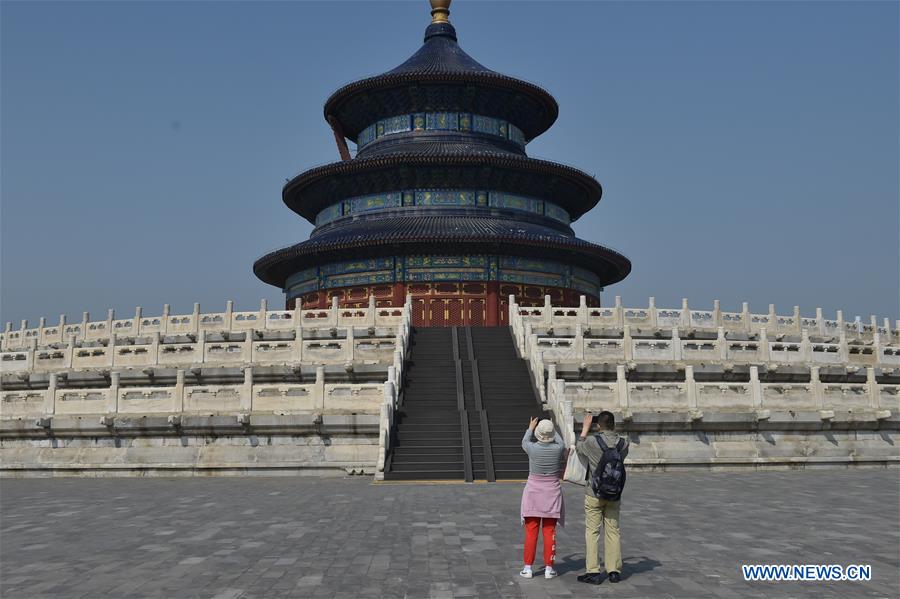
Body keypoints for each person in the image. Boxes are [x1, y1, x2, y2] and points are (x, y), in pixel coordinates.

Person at [576, 411, 629, 585]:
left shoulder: (592, 441)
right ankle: (613, 570)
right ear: (614, 424)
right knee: (613, 531)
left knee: (592, 531)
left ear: (598, 425)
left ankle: (593, 571)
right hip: (614, 493)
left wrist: (584, 429)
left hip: (594, 492)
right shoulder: (623, 442)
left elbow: (579, 448)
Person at [519, 417, 567, 579]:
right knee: (549, 532)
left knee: (531, 532)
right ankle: (548, 568)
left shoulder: (531, 448)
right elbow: (561, 440)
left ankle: (528, 567)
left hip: (533, 493)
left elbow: (525, 440)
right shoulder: (559, 448)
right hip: (552, 494)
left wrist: (531, 427)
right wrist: (553, 428)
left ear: (538, 433)